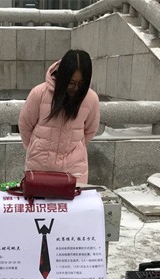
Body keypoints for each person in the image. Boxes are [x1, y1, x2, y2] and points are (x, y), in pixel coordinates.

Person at [18, 50, 100, 184]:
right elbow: (25, 125)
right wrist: (36, 147)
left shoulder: (91, 98)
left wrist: (75, 148)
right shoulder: (39, 93)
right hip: (39, 168)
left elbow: (90, 130)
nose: (76, 88)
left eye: (81, 84)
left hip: (74, 171)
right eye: (71, 83)